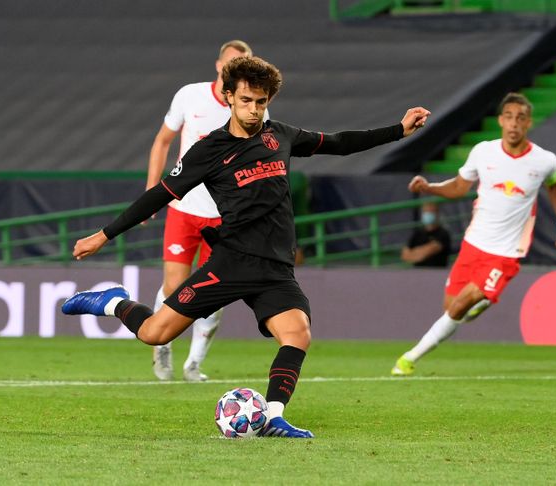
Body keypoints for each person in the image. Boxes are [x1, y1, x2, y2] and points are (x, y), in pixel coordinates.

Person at [62, 56, 430, 437]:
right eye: (246, 101)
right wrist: (103, 235)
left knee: (297, 333)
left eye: (261, 102)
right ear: (229, 97)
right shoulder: (208, 150)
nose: (254, 110)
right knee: (156, 333)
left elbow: (337, 143)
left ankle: (272, 416)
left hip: (274, 268)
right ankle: (112, 301)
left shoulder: (280, 136)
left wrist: (398, 130)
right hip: (231, 263)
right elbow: (159, 195)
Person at [391, 92, 556, 376]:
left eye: (520, 118)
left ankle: (409, 358)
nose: (514, 123)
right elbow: (460, 188)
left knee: (461, 305)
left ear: (528, 123)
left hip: (507, 253)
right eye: (509, 117)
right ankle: (485, 299)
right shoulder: (483, 152)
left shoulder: (544, 160)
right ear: (500, 120)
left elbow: (555, 185)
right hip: (474, 244)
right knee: (452, 307)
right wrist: (429, 187)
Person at [146, 40, 260, 382]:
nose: (237, 69)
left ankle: (194, 363)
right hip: (185, 208)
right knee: (174, 285)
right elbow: (163, 140)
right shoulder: (189, 96)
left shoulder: (253, 107)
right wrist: (154, 190)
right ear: (218, 66)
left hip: (226, 216)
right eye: (232, 63)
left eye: (244, 63)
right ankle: (161, 345)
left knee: (213, 291)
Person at [400, 201, 451, 267]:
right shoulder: (417, 234)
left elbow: (426, 253)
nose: (427, 214)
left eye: (430, 212)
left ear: (437, 214)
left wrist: (414, 253)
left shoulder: (443, 234)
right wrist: (419, 252)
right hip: (417, 273)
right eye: (425, 212)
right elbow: (405, 256)